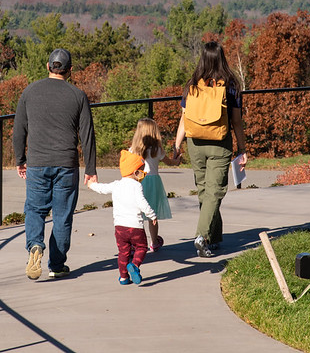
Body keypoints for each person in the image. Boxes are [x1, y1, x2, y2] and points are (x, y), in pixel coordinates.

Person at [13, 48, 97, 280]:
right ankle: (57, 265)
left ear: (48, 66)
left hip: (37, 163)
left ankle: (34, 245)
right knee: (62, 215)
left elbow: (19, 130)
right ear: (70, 70)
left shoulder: (29, 91)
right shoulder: (78, 95)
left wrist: (20, 159)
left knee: (35, 209)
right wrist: (91, 169)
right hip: (66, 163)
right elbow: (87, 134)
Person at [174, 41, 248, 258]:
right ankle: (202, 236)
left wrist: (177, 145)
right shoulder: (230, 84)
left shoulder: (192, 84)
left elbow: (184, 118)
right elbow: (236, 121)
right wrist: (242, 149)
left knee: (206, 191)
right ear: (221, 58)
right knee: (214, 191)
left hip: (195, 143)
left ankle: (212, 238)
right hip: (219, 142)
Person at [87, 150, 157, 285]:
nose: (143, 175)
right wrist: (152, 215)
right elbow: (142, 203)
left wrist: (92, 185)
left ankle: (124, 277)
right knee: (141, 247)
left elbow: (102, 188)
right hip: (135, 226)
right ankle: (135, 265)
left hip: (119, 227)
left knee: (123, 252)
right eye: (142, 172)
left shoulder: (116, 185)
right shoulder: (136, 186)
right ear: (135, 172)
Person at [129, 117, 179, 252]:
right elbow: (170, 163)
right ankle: (154, 241)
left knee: (137, 214)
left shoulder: (132, 150)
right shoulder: (157, 150)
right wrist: (177, 159)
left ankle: (136, 242)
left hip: (139, 182)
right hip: (154, 183)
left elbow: (129, 168)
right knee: (152, 215)